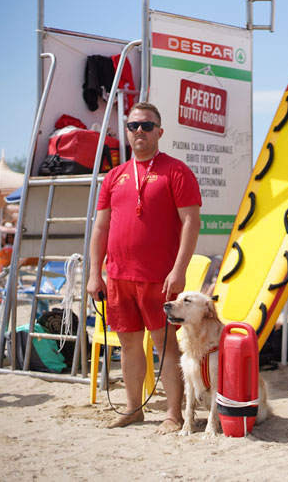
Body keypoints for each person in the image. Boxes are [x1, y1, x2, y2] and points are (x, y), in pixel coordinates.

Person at [87, 101, 201, 433]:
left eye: (147, 126)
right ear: (127, 131)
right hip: (119, 275)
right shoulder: (115, 176)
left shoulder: (176, 171)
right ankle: (133, 408)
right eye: (134, 125)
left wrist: (179, 270)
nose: (140, 131)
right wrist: (96, 273)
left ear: (159, 132)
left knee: (163, 344)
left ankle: (172, 415)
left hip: (159, 277)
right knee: (129, 345)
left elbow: (191, 222)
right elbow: (100, 228)